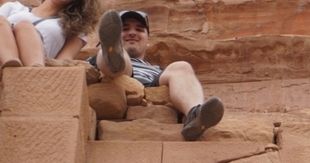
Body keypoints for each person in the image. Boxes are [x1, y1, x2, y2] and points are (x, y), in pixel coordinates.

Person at [92, 9, 224, 141]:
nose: (132, 33)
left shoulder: (159, 71)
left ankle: (194, 114)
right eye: (125, 29)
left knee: (182, 67)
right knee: (109, 56)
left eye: (139, 29)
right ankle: (112, 54)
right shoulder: (95, 59)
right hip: (118, 75)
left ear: (148, 41)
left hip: (151, 83)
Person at [0, 0, 99, 67]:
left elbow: (62, 63)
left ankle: (33, 72)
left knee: (24, 26)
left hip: (36, 67)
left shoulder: (75, 28)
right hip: (0, 61)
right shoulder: (12, 7)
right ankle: (10, 64)